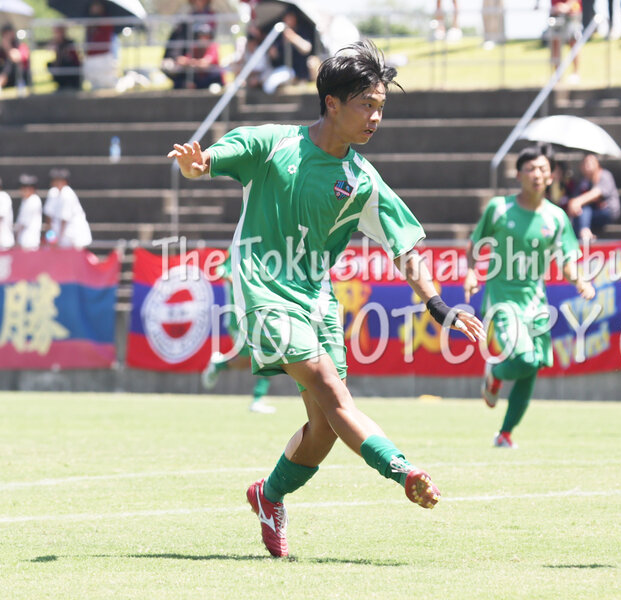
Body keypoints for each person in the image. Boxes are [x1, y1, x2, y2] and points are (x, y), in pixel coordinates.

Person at [167, 40, 485, 558]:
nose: (375, 117)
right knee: (334, 394)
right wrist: (194, 166)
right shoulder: (273, 143)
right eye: (366, 104)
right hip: (262, 288)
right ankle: (404, 471)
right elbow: (206, 164)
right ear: (332, 103)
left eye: (380, 106)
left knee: (324, 428)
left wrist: (438, 305)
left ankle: (268, 495)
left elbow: (404, 248)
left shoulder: (362, 180)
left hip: (317, 299)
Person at [462, 146, 595, 449]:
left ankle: (505, 434)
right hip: (502, 301)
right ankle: (495, 372)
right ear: (519, 174)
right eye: (531, 169)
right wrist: (471, 273)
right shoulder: (499, 208)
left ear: (551, 176)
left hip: (535, 304)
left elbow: (567, 259)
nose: (537, 174)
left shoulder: (556, 217)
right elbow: (475, 244)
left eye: (543, 169)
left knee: (533, 366)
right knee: (523, 359)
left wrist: (580, 280)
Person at [201, 248, 276, 414]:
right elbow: (220, 270)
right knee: (251, 359)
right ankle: (219, 365)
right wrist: (237, 280)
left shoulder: (266, 247)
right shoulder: (239, 247)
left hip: (258, 315)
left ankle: (257, 399)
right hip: (238, 318)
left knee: (267, 355)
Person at [565, 153, 620, 243]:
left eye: (590, 162)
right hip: (589, 213)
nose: (588, 166)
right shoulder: (584, 181)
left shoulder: (605, 175)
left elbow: (596, 193)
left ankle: (584, 233)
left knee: (584, 209)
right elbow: (575, 199)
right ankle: (581, 236)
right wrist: (574, 203)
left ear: (597, 164)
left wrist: (577, 201)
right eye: (585, 163)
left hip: (607, 212)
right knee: (581, 212)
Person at [45, 168, 92, 249]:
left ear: (65, 182)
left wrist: (58, 240)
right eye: (55, 180)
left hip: (75, 235)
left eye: (59, 181)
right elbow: (49, 215)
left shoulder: (67, 194)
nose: (56, 183)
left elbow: (64, 219)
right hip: (62, 236)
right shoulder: (53, 193)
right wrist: (51, 237)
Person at [170, 23, 223, 90]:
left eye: (206, 36)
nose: (203, 39)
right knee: (179, 81)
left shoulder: (213, 46)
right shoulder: (195, 47)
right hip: (198, 77)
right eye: (200, 36)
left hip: (210, 78)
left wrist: (191, 62)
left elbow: (205, 64)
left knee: (215, 75)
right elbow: (181, 61)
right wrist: (194, 63)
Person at [542, 0, 582, 83]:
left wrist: (567, 6)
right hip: (555, 13)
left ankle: (575, 73)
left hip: (572, 12)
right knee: (555, 42)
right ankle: (558, 76)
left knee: (573, 42)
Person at [84, 0, 117, 90]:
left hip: (102, 54)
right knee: (94, 82)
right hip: (92, 55)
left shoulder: (105, 20)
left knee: (106, 83)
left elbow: (104, 36)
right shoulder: (89, 21)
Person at [48, 25, 83, 91]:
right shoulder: (58, 43)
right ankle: (61, 85)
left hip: (71, 66)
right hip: (62, 65)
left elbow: (72, 57)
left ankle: (68, 85)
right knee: (50, 65)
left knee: (64, 64)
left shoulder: (69, 43)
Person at [14, 174, 43, 250]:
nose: (23, 190)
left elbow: (23, 223)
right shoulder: (25, 200)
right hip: (24, 240)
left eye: (26, 188)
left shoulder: (33, 200)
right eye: (22, 188)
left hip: (30, 241)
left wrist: (16, 239)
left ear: (32, 189)